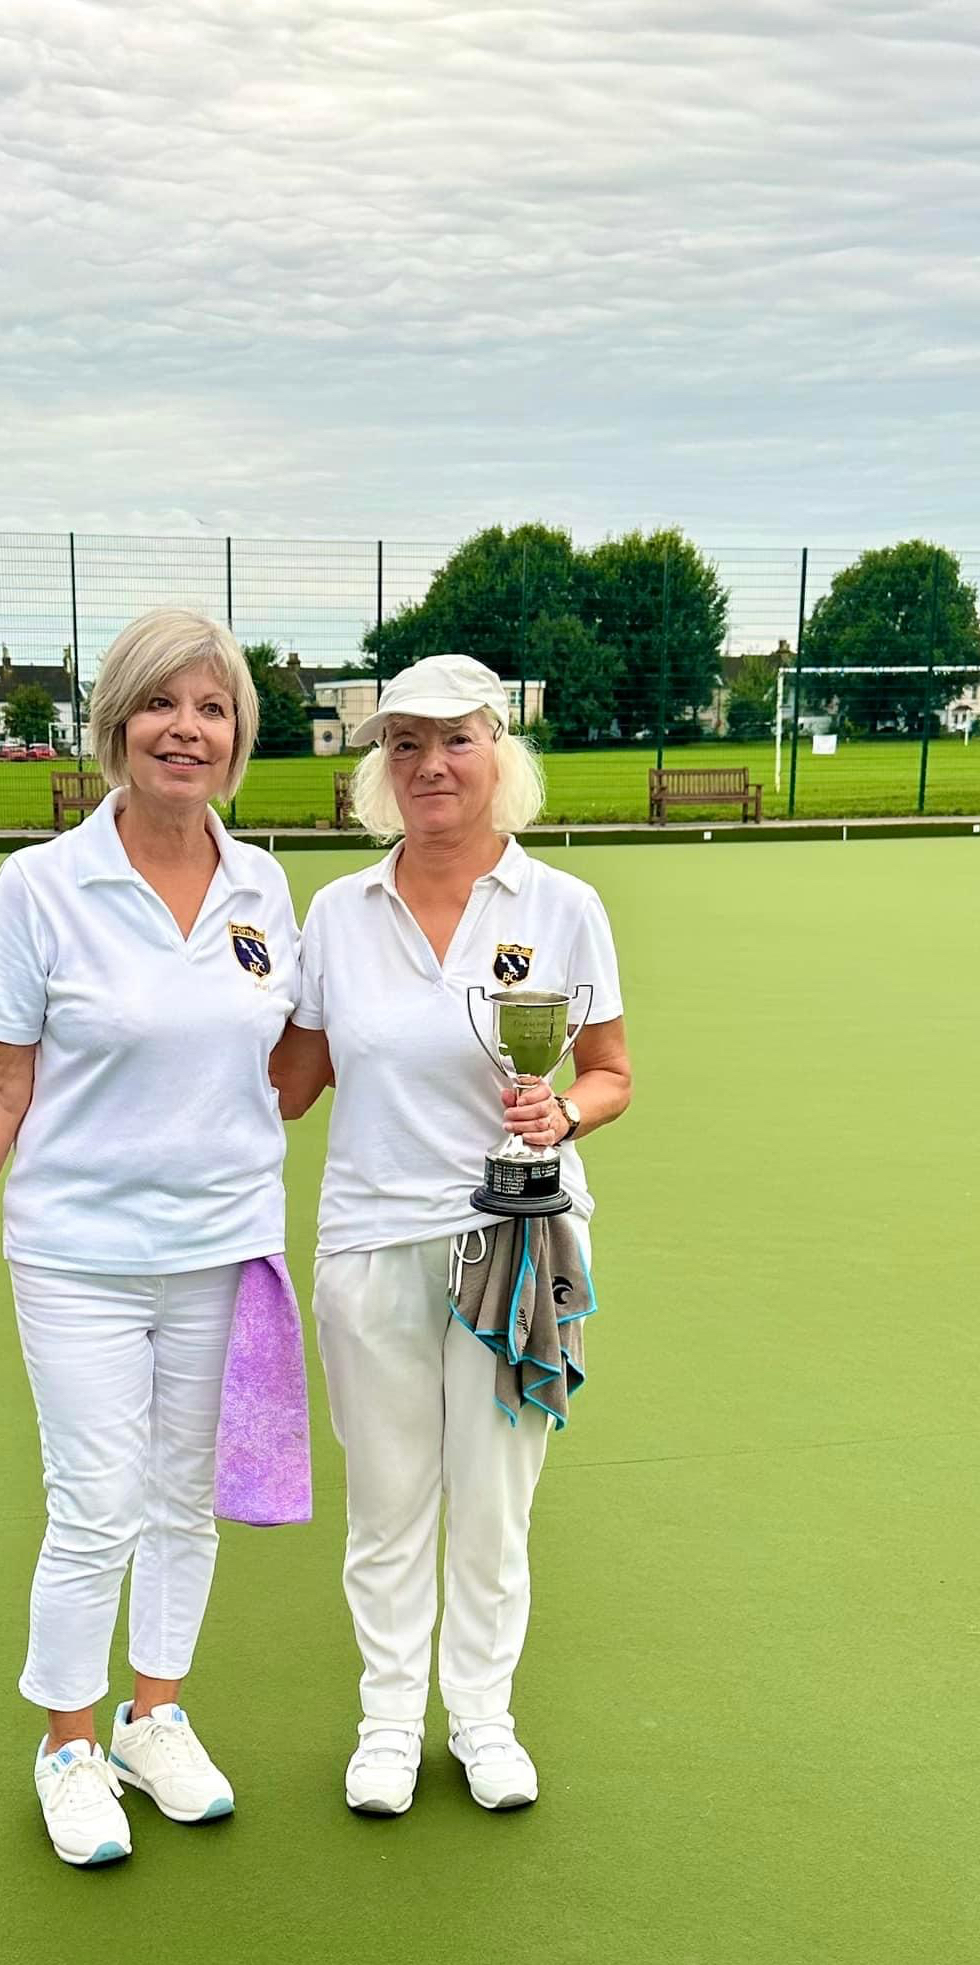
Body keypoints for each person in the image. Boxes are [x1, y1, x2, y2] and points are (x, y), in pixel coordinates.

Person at [0, 609, 299, 1867]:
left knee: (184, 1500)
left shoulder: (263, 885)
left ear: (238, 737)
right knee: (96, 1504)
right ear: (116, 725)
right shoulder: (39, 883)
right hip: (79, 1248)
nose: (185, 730)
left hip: (224, 1244)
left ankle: (158, 1716)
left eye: (212, 709)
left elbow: (285, 1058)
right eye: (161, 705)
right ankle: (69, 1745)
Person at [270, 654, 632, 1816]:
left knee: (491, 1499)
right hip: (371, 1239)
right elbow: (289, 1078)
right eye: (404, 744)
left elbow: (611, 1071)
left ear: (497, 752)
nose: (430, 763)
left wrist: (564, 1108)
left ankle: (481, 1718)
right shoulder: (336, 911)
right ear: (380, 767)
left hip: (517, 1233)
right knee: (387, 1497)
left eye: (455, 739)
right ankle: (386, 1722)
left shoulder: (562, 907)